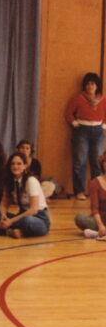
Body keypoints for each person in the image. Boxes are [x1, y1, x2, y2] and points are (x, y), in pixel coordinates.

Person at [0, 152, 50, 238]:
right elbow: (4, 204)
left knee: (26, 220)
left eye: (19, 164)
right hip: (21, 216)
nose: (15, 166)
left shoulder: (31, 181)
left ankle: (5, 229)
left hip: (38, 219)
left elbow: (33, 210)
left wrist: (11, 221)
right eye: (12, 164)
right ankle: (11, 231)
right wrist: (3, 216)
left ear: (25, 166)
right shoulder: (10, 182)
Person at [65, 72, 106, 200]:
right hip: (81, 131)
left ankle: (97, 192)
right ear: (84, 85)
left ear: (97, 85)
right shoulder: (78, 98)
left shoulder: (103, 99)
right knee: (80, 161)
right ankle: (79, 191)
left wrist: (104, 125)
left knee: (97, 162)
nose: (90, 86)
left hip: (98, 132)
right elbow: (68, 113)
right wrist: (74, 123)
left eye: (92, 83)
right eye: (88, 84)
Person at [75, 152, 106, 238]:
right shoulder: (95, 183)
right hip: (100, 221)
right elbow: (94, 209)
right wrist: (101, 226)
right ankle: (101, 231)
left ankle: (96, 234)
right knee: (80, 218)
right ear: (102, 164)